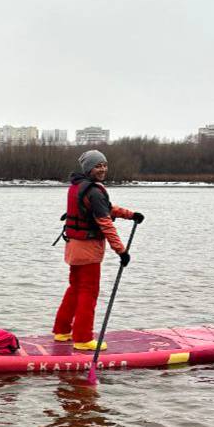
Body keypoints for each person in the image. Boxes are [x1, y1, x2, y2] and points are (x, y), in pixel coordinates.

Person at [53, 150, 144, 350]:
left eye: (104, 164)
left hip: (73, 249)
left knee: (75, 288)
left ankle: (61, 331)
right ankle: (83, 339)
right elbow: (106, 224)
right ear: (88, 169)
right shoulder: (94, 190)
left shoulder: (78, 186)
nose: (102, 169)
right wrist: (122, 251)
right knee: (89, 292)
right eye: (98, 166)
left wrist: (130, 215)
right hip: (88, 251)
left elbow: (106, 208)